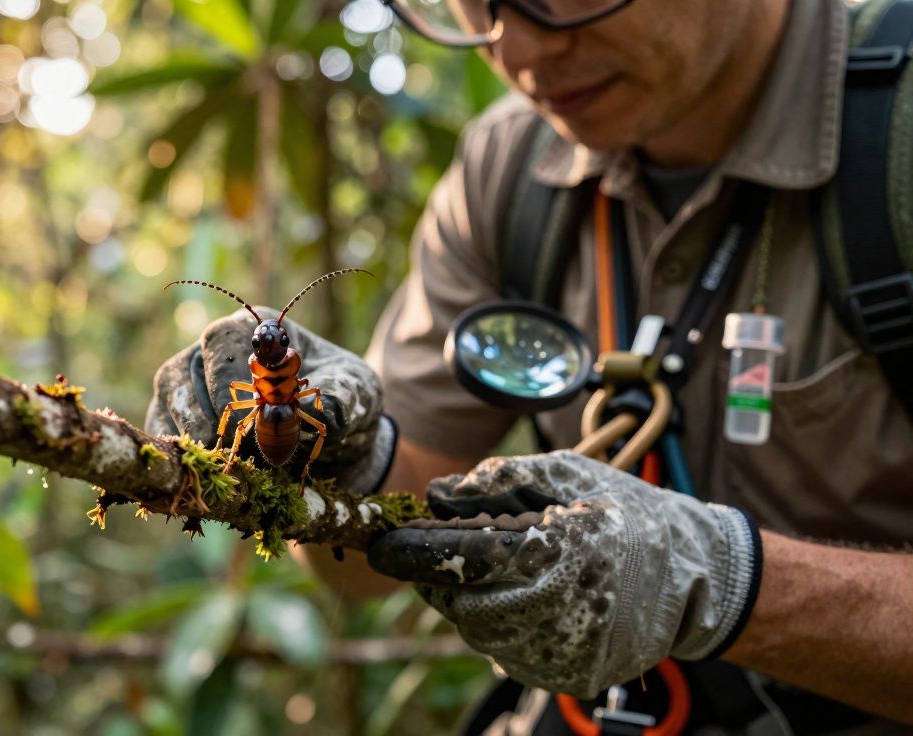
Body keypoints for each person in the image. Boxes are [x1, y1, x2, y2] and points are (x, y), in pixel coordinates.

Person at [148, 0, 913, 731]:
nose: (512, 49)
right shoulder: (509, 168)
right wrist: (355, 463)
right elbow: (364, 560)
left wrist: (733, 584)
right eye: (472, 2)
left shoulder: (895, 139)